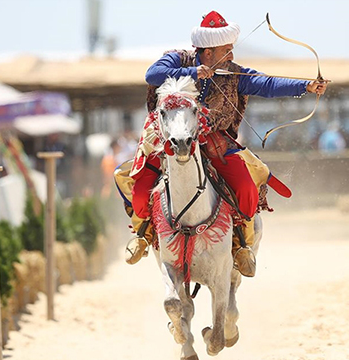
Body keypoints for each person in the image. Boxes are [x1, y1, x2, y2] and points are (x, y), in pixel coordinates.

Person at [114, 10, 326, 277]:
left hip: (212, 138)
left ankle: (241, 245)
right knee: (142, 187)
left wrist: (305, 87)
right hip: (171, 136)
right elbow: (153, 75)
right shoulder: (178, 59)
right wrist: (193, 73)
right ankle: (143, 234)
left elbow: (266, 83)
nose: (232, 55)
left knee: (247, 188)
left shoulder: (234, 73)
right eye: (227, 49)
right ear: (209, 52)